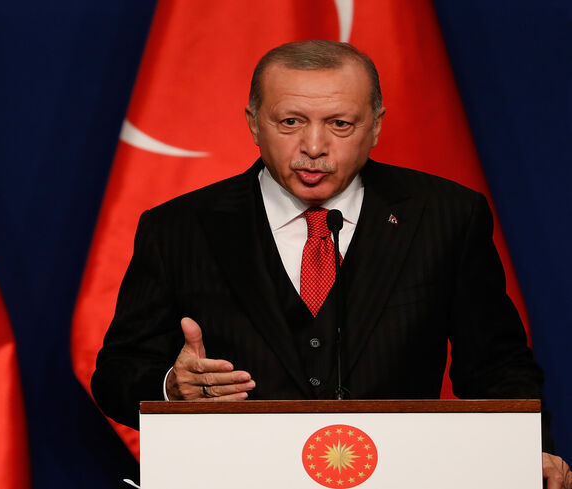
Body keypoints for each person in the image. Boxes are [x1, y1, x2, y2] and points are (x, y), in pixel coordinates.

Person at [90, 40, 570, 488]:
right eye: (290, 122)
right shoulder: (179, 227)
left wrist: (527, 449)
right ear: (254, 123)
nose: (314, 147)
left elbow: (495, 365)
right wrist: (173, 389)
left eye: (340, 124)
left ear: (376, 124)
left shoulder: (446, 216)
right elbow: (116, 375)